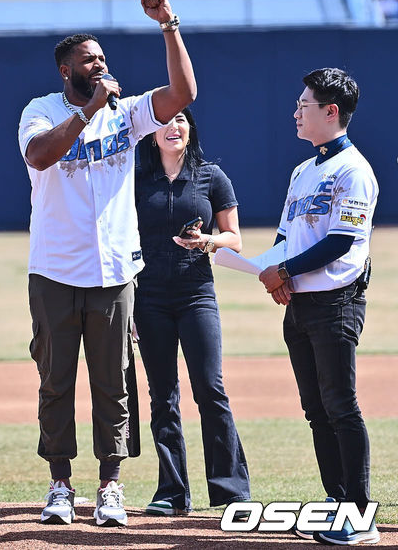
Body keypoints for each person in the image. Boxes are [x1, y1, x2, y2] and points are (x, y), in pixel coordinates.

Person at [17, 0, 196, 527]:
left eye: (102, 58)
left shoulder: (128, 111)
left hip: (114, 272)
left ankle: (109, 486)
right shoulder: (42, 110)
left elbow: (184, 93)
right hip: (53, 270)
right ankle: (60, 484)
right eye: (89, 60)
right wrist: (89, 108)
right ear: (65, 69)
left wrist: (169, 26)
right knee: (55, 380)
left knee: (113, 381)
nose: (100, 65)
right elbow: (39, 155)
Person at [257, 68, 379, 545]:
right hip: (300, 305)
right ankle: (336, 499)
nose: (295, 112)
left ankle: (360, 513)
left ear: (332, 112)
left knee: (341, 407)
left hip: (336, 302)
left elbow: (343, 241)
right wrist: (270, 271)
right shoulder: (302, 170)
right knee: (315, 410)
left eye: (304, 105)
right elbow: (287, 235)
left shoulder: (354, 170)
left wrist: (285, 271)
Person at [133, 107, 250, 516]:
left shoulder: (211, 175)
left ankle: (230, 489)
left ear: (190, 128)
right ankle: (172, 491)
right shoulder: (134, 179)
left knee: (210, 389)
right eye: (164, 121)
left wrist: (208, 241)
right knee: (162, 396)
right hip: (147, 297)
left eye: (181, 119)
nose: (173, 126)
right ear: (150, 134)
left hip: (196, 292)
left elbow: (235, 239)